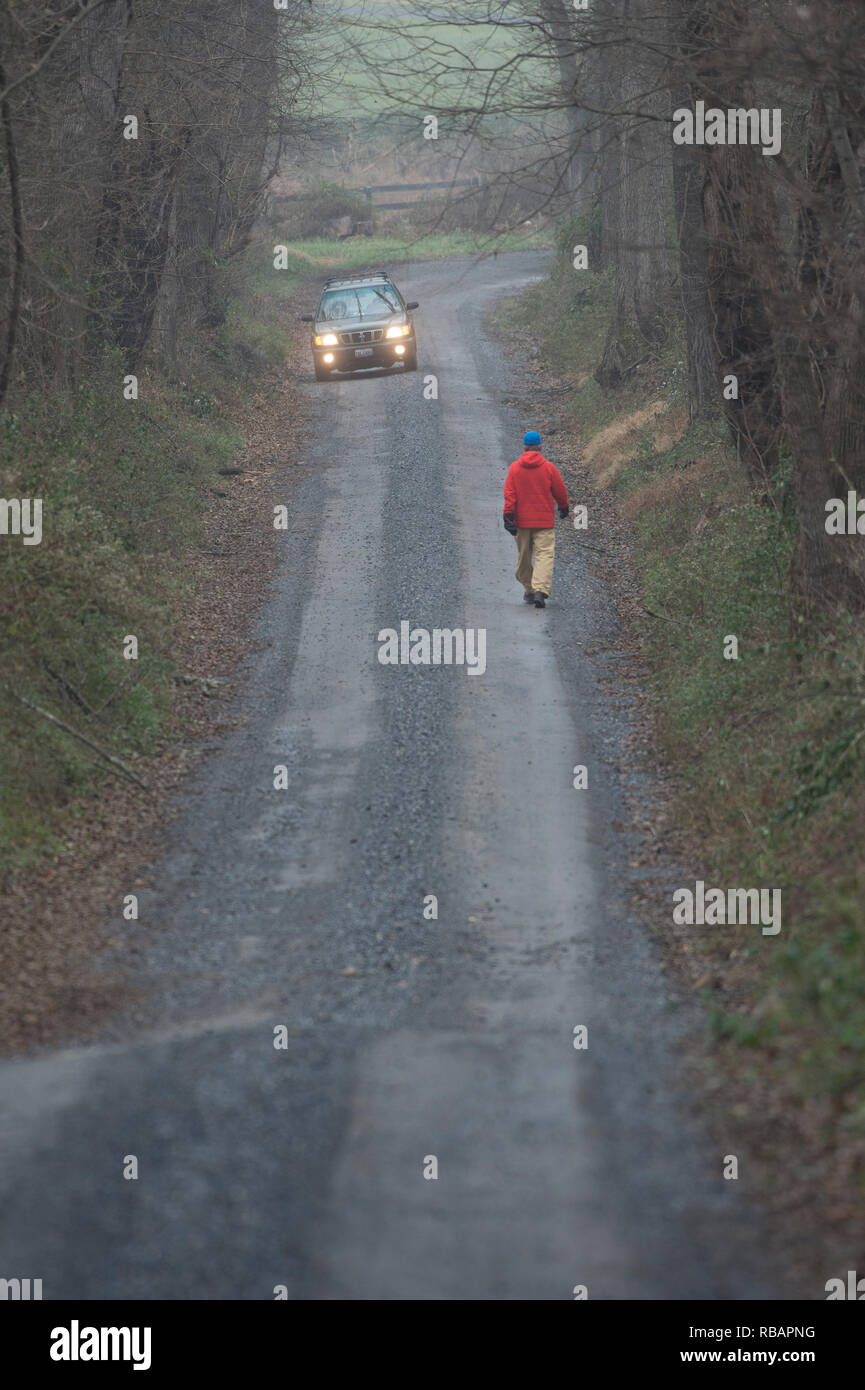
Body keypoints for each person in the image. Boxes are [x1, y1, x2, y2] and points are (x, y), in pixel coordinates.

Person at [503, 429, 569, 609]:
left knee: (524, 557)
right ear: (540, 446)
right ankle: (539, 590)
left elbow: (510, 495)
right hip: (544, 523)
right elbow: (560, 490)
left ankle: (530, 589)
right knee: (545, 555)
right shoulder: (549, 468)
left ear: (524, 446)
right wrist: (564, 507)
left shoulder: (515, 468)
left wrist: (508, 516)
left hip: (521, 523)